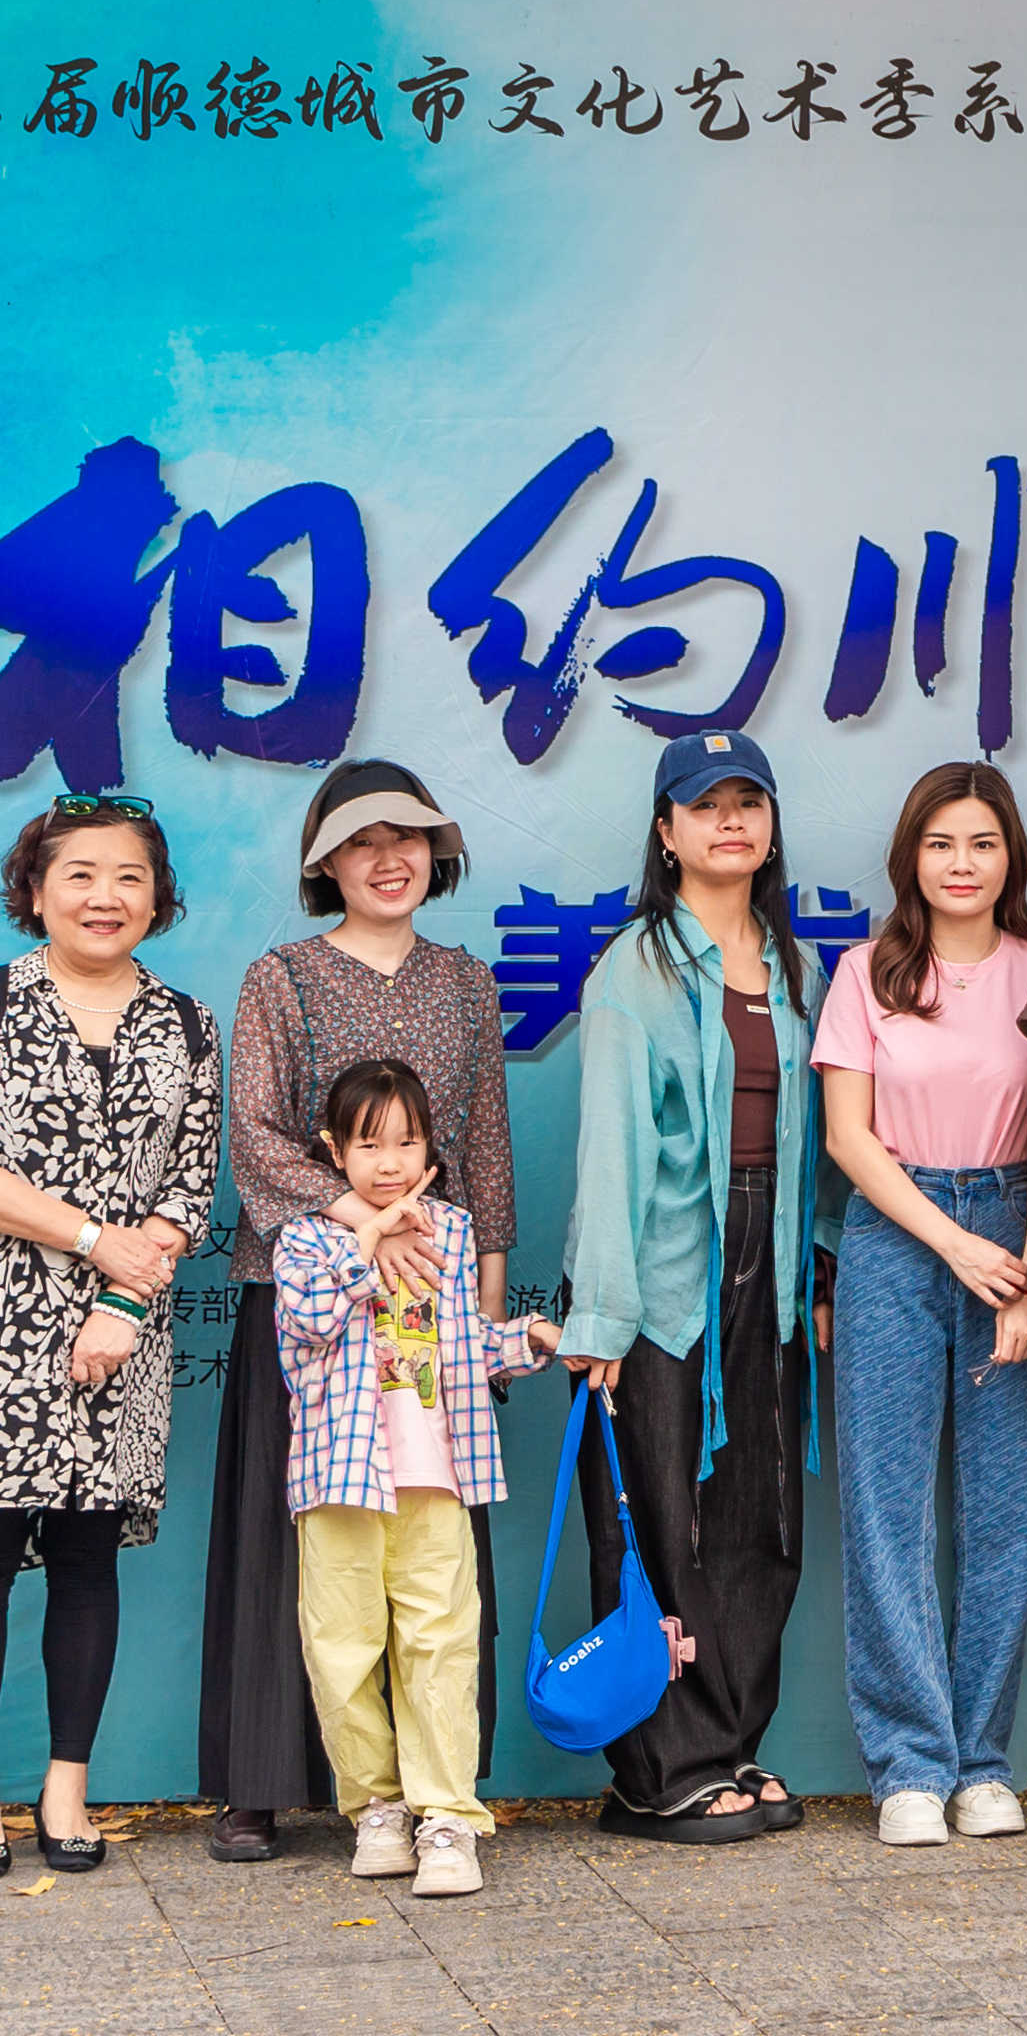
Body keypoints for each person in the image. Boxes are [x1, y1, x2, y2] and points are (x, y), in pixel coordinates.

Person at [0, 795, 220, 1878]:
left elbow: (187, 1188)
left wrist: (122, 1302)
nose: (104, 896)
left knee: (87, 1562)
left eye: (129, 876)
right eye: (78, 873)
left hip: (123, 1336)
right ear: (35, 891)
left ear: (158, 899)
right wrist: (94, 1240)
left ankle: (68, 1787)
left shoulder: (186, 1024)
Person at [205, 761, 516, 1864]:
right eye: (361, 841)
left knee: (429, 1572)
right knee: (297, 1546)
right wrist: (360, 1222)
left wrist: (486, 1302)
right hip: (309, 1298)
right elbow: (253, 1133)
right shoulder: (282, 977)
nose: (389, 860)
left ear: (438, 854)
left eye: (409, 838)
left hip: (433, 1302)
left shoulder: (465, 982)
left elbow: (484, 1142)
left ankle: (436, 1798)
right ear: (323, 862)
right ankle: (261, 1782)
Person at [568, 729, 835, 1842]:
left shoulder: (795, 966)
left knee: (759, 1514)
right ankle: (658, 1771)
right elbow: (611, 1153)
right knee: (660, 1515)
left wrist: (816, 1271)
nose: (731, 821)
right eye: (705, 805)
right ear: (667, 832)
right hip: (663, 1272)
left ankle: (731, 1742)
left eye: (749, 802)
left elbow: (824, 1139)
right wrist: (601, 1316)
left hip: (771, 1267)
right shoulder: (635, 967)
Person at [814, 761, 1027, 1847]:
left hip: (1019, 1225)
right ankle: (910, 1763)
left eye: (983, 843)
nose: (962, 864)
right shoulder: (866, 971)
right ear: (910, 856)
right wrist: (955, 1243)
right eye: (941, 843)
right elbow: (847, 1136)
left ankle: (983, 1761)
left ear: (1011, 857)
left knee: (1002, 1510)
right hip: (897, 1237)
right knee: (887, 1507)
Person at [274, 1059, 563, 1898]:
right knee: (340, 1649)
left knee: (441, 1646)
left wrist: (530, 1340)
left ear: (431, 1147)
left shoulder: (453, 1230)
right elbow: (306, 1323)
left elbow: (466, 1338)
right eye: (368, 1144)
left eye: (406, 1142)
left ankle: (446, 1818)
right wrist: (366, 1239)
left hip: (436, 1474)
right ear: (333, 1150)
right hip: (339, 1479)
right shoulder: (306, 1238)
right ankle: (377, 1807)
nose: (390, 1162)